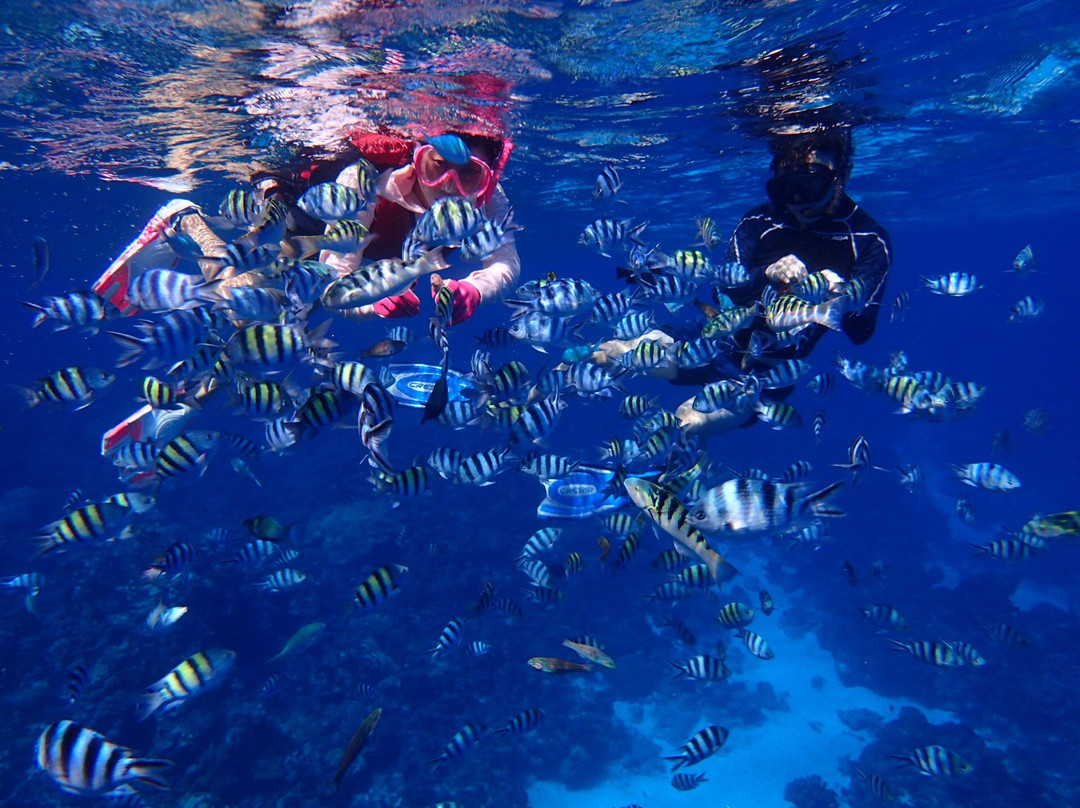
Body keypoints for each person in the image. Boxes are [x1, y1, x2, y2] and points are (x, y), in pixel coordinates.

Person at [676, 126, 893, 435]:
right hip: (709, 339)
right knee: (612, 351)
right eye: (786, 187)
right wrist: (766, 273)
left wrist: (836, 297)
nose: (797, 200)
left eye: (811, 184)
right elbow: (721, 288)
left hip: (765, 379)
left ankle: (667, 476)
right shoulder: (758, 221)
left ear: (840, 174)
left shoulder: (868, 239)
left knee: (687, 421)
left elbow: (862, 331)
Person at [258, 129, 519, 326]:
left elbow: (506, 264)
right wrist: (371, 302)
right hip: (308, 216)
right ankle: (266, 193)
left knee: (303, 307)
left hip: (372, 252)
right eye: (438, 165)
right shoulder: (365, 182)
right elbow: (333, 277)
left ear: (488, 177)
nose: (449, 185)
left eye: (470, 172)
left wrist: (476, 291)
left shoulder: (490, 198)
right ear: (417, 157)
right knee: (278, 258)